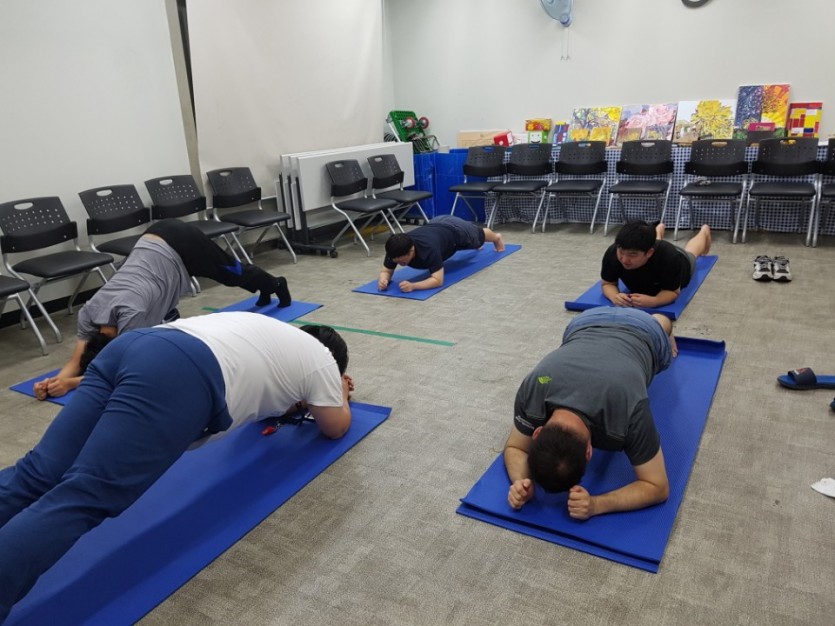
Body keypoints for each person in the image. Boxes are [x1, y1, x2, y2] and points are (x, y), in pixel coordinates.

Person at [0, 312, 354, 620]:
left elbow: (273, 397)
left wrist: (299, 403)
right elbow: (334, 427)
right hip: (179, 373)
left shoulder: (275, 335)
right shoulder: (323, 361)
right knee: (84, 496)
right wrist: (339, 392)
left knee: (36, 474)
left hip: (135, 346)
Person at [34, 219, 292, 400]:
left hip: (183, 244)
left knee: (234, 273)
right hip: (153, 238)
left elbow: (118, 372)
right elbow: (77, 360)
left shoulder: (132, 316)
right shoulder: (89, 312)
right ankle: (263, 289)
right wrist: (54, 382)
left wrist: (70, 384)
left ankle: (276, 284)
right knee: (161, 322)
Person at [504, 306, 677, 520]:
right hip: (585, 320)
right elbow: (515, 447)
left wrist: (597, 504)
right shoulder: (537, 383)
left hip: (642, 328)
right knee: (652, 321)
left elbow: (659, 487)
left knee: (661, 324)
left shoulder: (628, 409)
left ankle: (663, 324)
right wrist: (521, 481)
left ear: (589, 452)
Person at [377, 215, 505, 293]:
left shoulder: (428, 249)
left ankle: (497, 237)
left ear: (411, 250)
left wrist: (413, 286)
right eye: (397, 262)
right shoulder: (395, 249)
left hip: (454, 228)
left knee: (478, 237)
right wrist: (383, 280)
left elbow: (438, 280)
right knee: (474, 243)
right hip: (435, 224)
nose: (400, 264)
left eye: (403, 261)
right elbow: (386, 271)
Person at [600, 220, 712, 308]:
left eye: (632, 255)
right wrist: (614, 296)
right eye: (621, 252)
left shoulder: (670, 257)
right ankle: (658, 231)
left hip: (680, 259)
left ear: (649, 253)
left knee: (692, 253)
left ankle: (704, 231)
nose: (624, 260)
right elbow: (607, 284)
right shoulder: (613, 253)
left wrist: (654, 301)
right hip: (653, 251)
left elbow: (672, 292)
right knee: (650, 244)